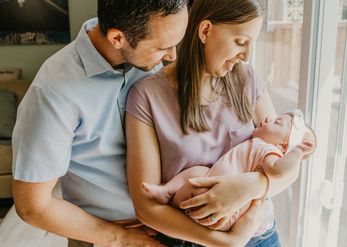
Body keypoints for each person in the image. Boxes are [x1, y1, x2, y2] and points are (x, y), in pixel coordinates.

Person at [125, 0, 314, 246]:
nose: (246, 56)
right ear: (205, 31)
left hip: (260, 236)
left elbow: (287, 158)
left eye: (251, 45)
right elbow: (146, 206)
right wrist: (225, 242)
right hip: (193, 240)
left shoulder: (247, 79)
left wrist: (250, 186)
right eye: (240, 42)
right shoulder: (147, 96)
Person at [12, 1, 190, 246]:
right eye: (163, 48)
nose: (173, 56)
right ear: (118, 38)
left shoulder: (149, 60)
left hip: (175, 226)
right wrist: (123, 238)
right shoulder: (52, 93)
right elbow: (33, 206)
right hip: (109, 235)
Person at [142, 110, 315, 232]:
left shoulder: (269, 151)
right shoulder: (258, 144)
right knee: (197, 172)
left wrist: (298, 152)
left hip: (227, 211)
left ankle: (168, 213)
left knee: (195, 188)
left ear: (282, 146)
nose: (269, 118)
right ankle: (166, 191)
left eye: (277, 122)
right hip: (213, 182)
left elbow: (278, 170)